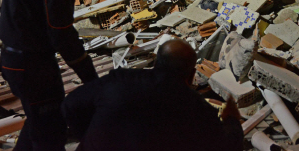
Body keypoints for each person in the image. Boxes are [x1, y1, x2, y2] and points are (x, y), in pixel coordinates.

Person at [0, 0, 111, 151]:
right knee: (51, 135)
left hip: (11, 57)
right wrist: (91, 79)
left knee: (38, 123)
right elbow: (60, 32)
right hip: (32, 66)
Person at [62, 38, 244, 151]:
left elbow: (69, 106)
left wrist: (88, 138)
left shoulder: (119, 80)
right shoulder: (195, 108)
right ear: (191, 75)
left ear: (156, 62)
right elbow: (226, 146)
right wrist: (231, 120)